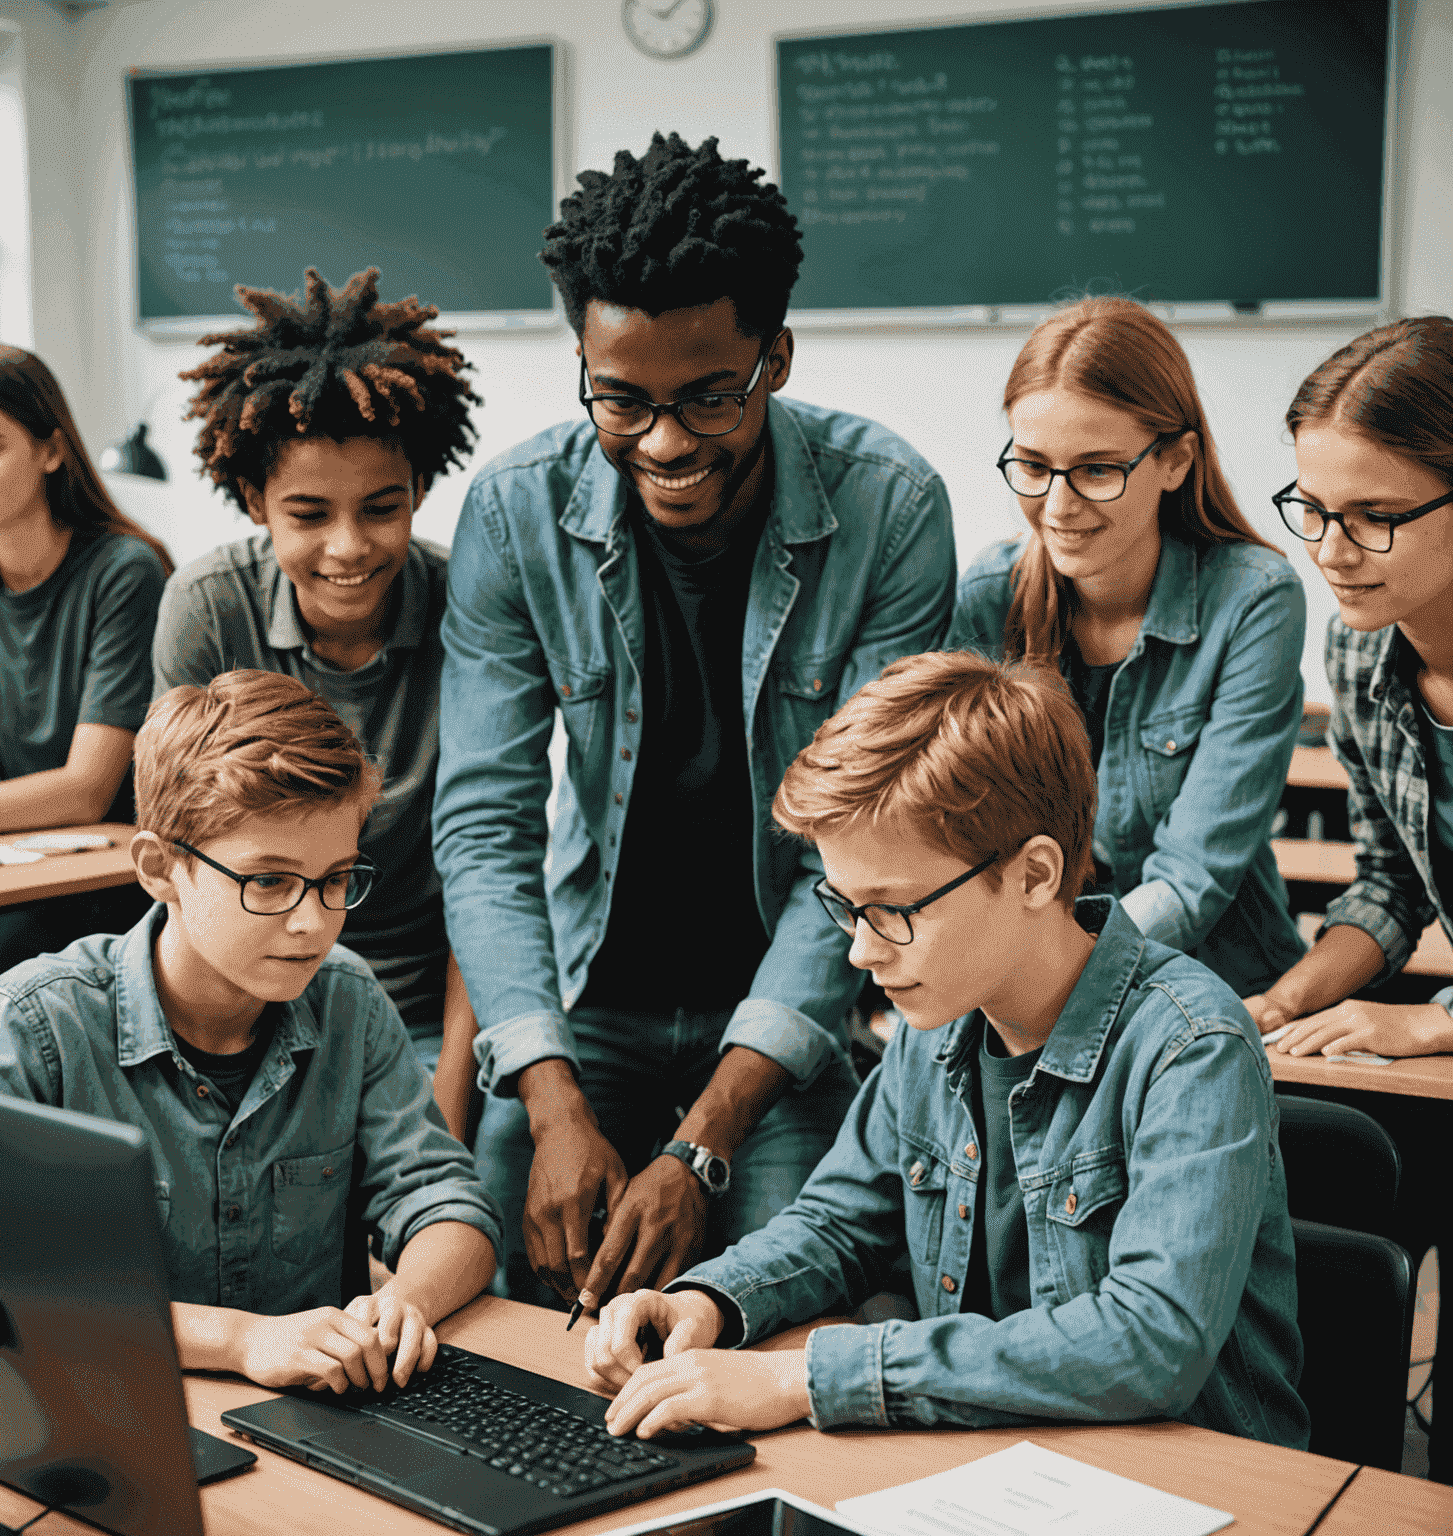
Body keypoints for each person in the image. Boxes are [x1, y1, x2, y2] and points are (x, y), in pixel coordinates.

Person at [433, 133, 956, 1310]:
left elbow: (874, 844)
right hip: (585, 1002)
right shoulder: (515, 517)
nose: (664, 442)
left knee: (770, 1307)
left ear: (774, 356)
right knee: (508, 1302)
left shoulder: (891, 509)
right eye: (620, 398)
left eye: (708, 395)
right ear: (580, 358)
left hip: (779, 1005)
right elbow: (483, 831)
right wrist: (551, 1100)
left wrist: (703, 1144)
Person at [584, 650, 1307, 1449]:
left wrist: (804, 1375)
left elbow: (1149, 1341)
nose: (860, 952)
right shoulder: (935, 1024)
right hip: (997, 1465)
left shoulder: (1192, 1046)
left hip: (1194, 1482)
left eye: (892, 911)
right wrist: (708, 1301)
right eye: (846, 907)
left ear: (1034, 876)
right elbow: (838, 1223)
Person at [0, 670, 499, 1392]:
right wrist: (238, 1341)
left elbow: (449, 1205)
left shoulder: (348, 1001)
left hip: (302, 1429)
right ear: (158, 868)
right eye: (268, 881)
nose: (313, 922)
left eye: (336, 879)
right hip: (104, 1415)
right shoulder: (35, 1026)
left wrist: (401, 1304)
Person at [155, 267, 482, 1130]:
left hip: (430, 1018)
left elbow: (486, 871)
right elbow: (185, 858)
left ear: (419, 488)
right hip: (249, 1005)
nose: (348, 547)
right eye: (307, 514)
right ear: (256, 500)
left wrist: (446, 1106)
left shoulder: (471, 607)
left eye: (382, 507)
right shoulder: (210, 608)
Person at [944, 296, 1306, 999]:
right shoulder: (991, 595)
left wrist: (1041, 973)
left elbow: (1192, 878)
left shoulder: (1255, 599)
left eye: (1097, 469)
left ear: (1175, 460)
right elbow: (958, 834)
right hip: (1025, 994)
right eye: (1033, 466)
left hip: (1215, 989)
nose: (1057, 506)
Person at [0, 343, 172, 1075]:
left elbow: (84, 789)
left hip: (125, 881)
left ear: (52, 449)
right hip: (24, 871)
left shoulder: (124, 570)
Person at [1248, 316, 1453, 1061]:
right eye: (1314, 510)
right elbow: (1393, 885)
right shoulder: (1360, 649)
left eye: (1378, 516)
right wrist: (1284, 1000)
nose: (1330, 552)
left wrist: (1434, 1022)